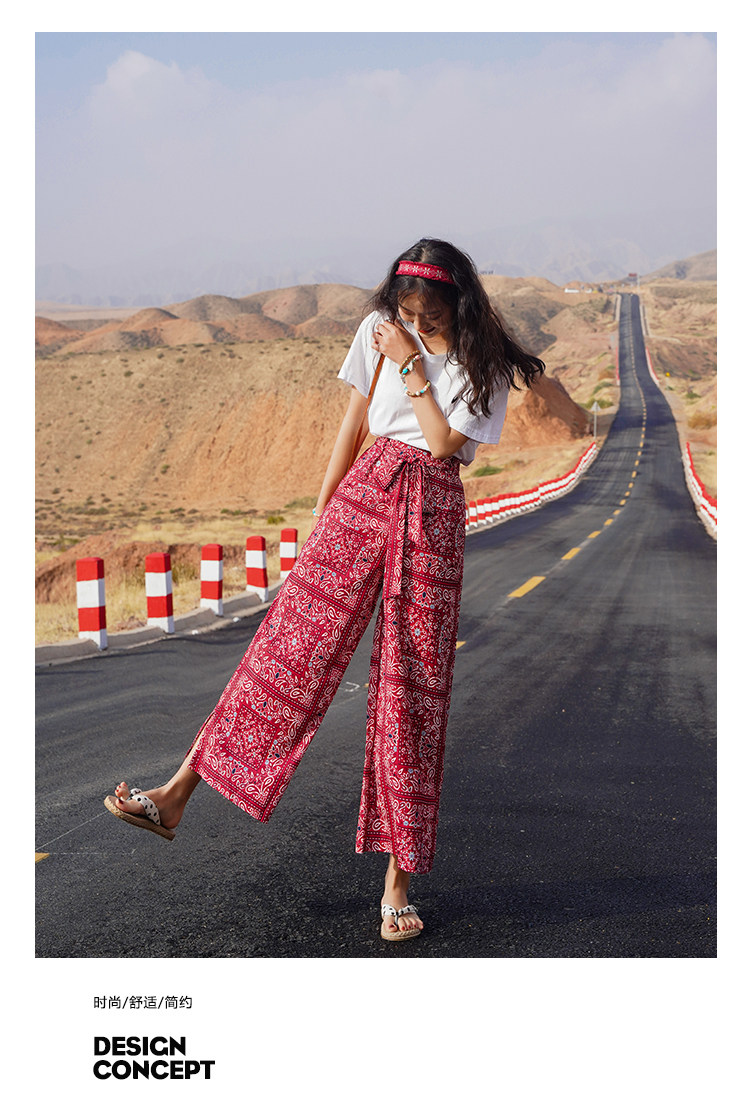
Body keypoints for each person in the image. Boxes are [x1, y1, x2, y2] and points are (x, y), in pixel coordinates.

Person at [104, 238, 545, 942]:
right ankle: (177, 793)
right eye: (406, 313)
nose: (414, 325)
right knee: (285, 648)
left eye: (429, 317)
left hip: (432, 509)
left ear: (456, 306)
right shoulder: (377, 330)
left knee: (412, 687)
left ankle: (398, 883)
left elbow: (441, 445)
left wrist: (411, 363)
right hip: (363, 494)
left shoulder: (478, 362)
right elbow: (355, 421)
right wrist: (322, 507)